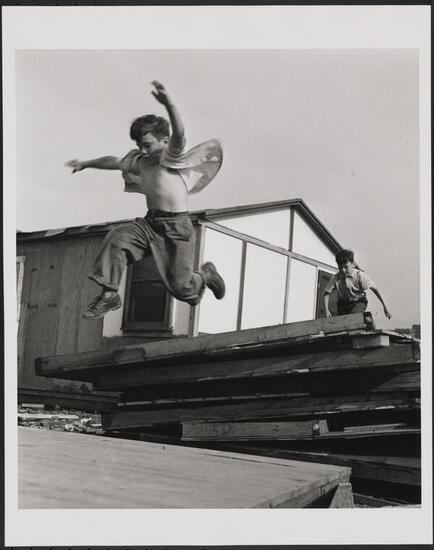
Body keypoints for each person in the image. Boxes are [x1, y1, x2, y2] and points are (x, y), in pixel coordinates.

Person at [66, 80, 225, 319]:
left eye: (148, 145)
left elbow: (179, 133)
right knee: (118, 238)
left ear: (164, 141)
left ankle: (206, 275)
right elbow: (112, 161)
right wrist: (85, 164)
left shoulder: (171, 157)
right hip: (150, 224)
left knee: (182, 289)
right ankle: (109, 295)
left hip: (176, 228)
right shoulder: (140, 161)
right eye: (140, 145)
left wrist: (169, 104)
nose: (143, 150)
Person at [323, 249, 391, 319]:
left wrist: (385, 306)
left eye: (346, 267)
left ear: (353, 264)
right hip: (343, 304)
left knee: (353, 317)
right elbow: (326, 294)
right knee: (343, 321)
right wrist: (326, 310)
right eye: (340, 267)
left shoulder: (360, 276)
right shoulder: (335, 278)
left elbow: (375, 289)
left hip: (358, 302)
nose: (343, 270)